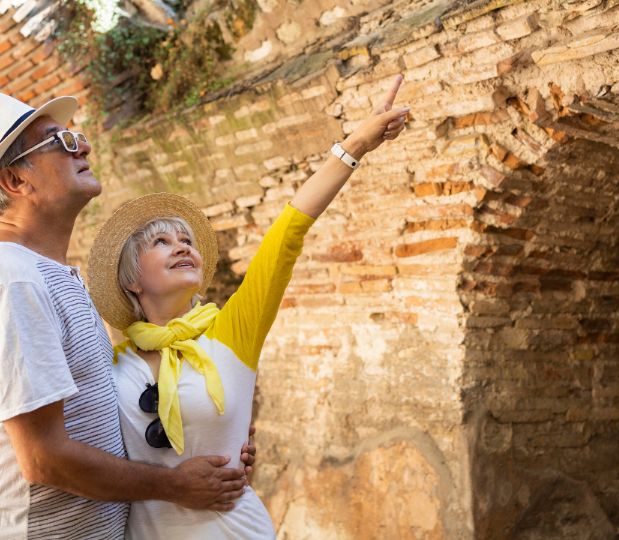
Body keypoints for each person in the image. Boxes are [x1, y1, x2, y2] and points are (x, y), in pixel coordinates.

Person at [86, 75, 409, 539]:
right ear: (132, 280)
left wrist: (355, 144)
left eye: (187, 241)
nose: (182, 247)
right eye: (161, 242)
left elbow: (286, 234)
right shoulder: (108, 365)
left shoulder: (232, 332)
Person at [0, 93, 256, 539]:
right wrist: (176, 485)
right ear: (15, 181)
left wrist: (215, 442)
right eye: (61, 141)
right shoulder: (13, 283)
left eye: (77, 137)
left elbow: (99, 414)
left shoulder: (46, 274)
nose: (84, 147)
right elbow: (43, 459)